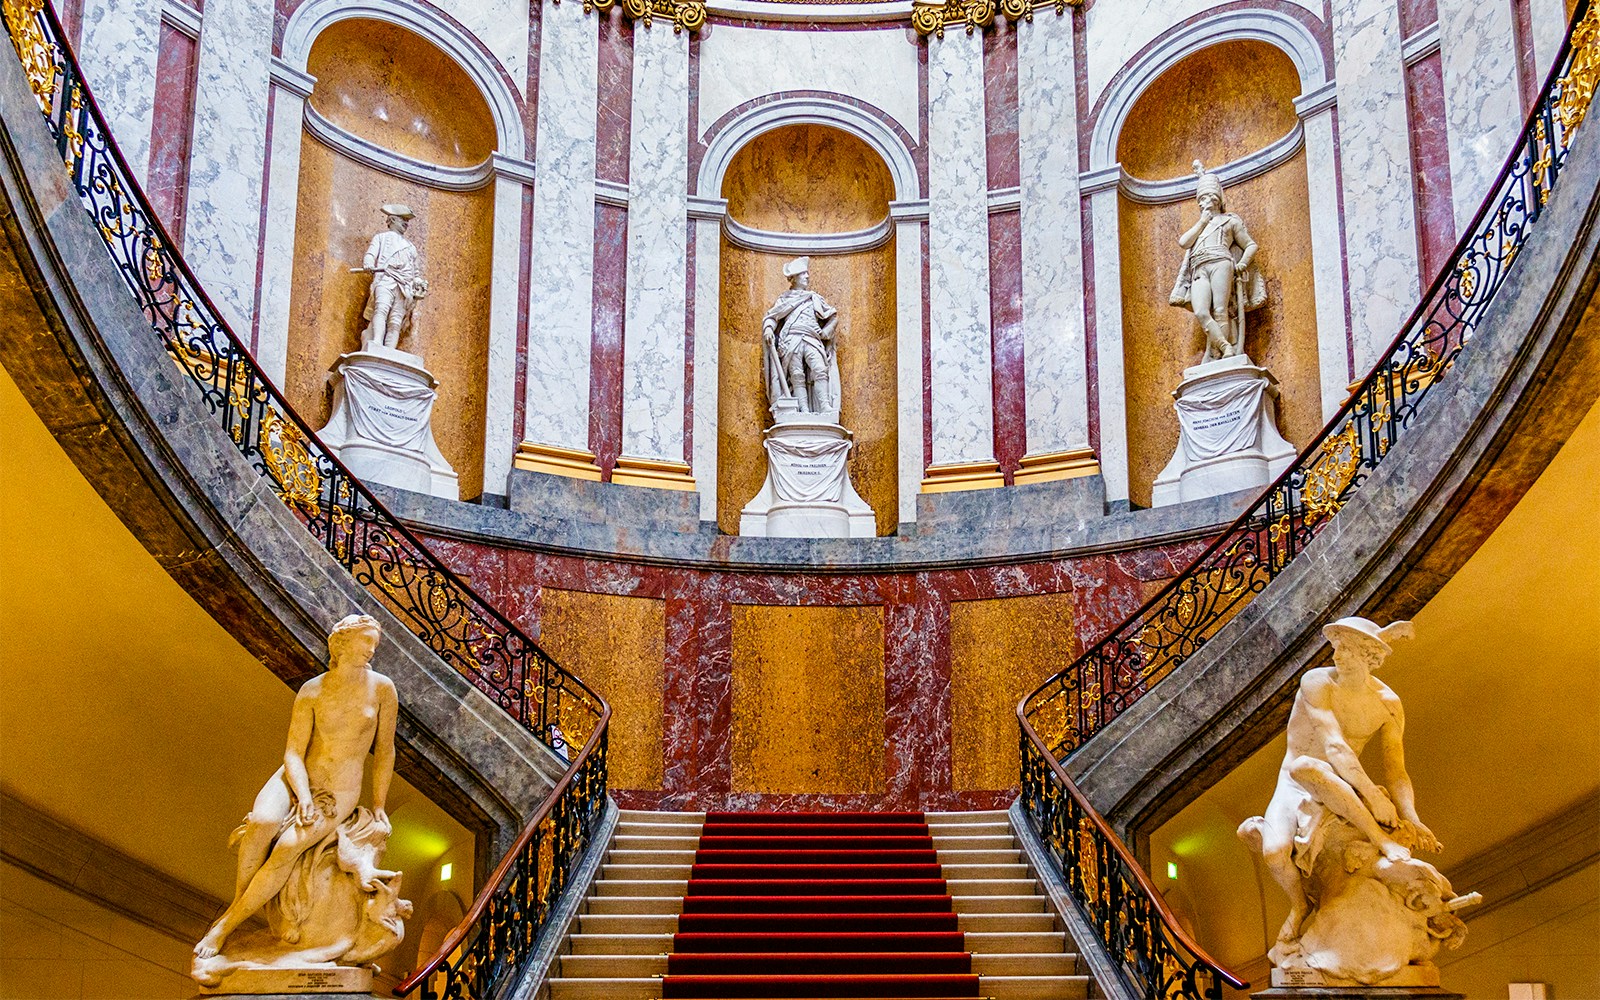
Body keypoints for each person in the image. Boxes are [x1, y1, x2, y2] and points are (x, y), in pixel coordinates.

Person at [194, 614, 399, 960]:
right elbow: (293, 751)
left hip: (338, 793)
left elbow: (385, 751)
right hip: (295, 777)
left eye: (374, 643)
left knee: (287, 848)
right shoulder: (313, 689)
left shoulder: (382, 689)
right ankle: (239, 903)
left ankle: (226, 925)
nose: (372, 649)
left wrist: (379, 803)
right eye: (366, 641)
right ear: (342, 643)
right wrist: (302, 796)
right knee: (260, 825)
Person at [1238, 617, 1441, 957]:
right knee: (1274, 853)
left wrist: (1413, 817)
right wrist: (1374, 795)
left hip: (1346, 783)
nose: (1337, 655)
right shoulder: (1317, 683)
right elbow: (1334, 746)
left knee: (1323, 776)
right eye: (1336, 647)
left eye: (1347, 649)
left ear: (1369, 656)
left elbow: (1397, 770)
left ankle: (1381, 842)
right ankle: (1300, 905)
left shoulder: (1388, 704)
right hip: (1297, 782)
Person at [1170, 161, 1264, 361]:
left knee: (1220, 309)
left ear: (1217, 199)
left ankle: (1222, 356)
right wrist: (1203, 221)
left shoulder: (1230, 221)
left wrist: (1242, 264)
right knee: (1202, 312)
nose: (1203, 202)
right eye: (1200, 199)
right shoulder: (1200, 225)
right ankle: (1224, 346)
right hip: (1198, 269)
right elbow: (1183, 242)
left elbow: (1250, 245)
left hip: (1221, 262)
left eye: (1206, 198)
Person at [762, 257, 840, 414]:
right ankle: (803, 410)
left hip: (812, 338)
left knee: (820, 370)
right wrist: (769, 329)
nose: (807, 276)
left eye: (807, 273)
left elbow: (833, 316)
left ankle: (824, 405)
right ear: (794, 278)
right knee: (797, 376)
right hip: (791, 340)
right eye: (803, 274)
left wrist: (825, 332)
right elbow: (772, 316)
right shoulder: (784, 299)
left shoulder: (814, 298)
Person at [356, 205, 424, 350]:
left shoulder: (410, 247)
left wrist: (418, 282)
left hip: (404, 286)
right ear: (392, 219)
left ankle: (389, 350)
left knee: (395, 321)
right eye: (403, 219)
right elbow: (371, 254)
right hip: (386, 280)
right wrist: (368, 263)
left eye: (407, 220)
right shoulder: (381, 238)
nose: (406, 223)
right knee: (381, 310)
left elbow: (415, 272)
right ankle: (377, 343)